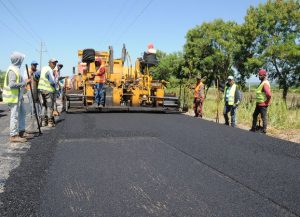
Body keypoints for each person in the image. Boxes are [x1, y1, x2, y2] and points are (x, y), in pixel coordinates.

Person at [3, 52, 32, 142]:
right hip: (13, 97)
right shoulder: (12, 70)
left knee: (23, 112)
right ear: (18, 60)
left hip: (18, 96)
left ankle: (21, 131)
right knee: (14, 115)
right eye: (21, 59)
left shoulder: (16, 69)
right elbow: (12, 84)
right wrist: (25, 83)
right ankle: (13, 135)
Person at [250, 69, 272, 134]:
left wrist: (267, 102)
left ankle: (264, 130)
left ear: (264, 75)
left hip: (263, 104)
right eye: (259, 75)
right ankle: (254, 128)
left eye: (260, 75)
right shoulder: (262, 82)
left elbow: (269, 94)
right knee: (254, 115)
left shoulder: (265, 83)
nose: (259, 76)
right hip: (259, 104)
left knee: (263, 117)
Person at [38, 58, 57, 127]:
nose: (54, 65)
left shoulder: (43, 68)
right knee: (49, 106)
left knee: (44, 105)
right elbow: (52, 82)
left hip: (41, 90)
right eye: (53, 63)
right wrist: (55, 85)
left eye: (55, 63)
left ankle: (43, 122)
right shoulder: (49, 70)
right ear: (49, 63)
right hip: (48, 90)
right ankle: (50, 122)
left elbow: (36, 75)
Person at [25, 60, 41, 133]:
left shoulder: (37, 71)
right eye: (34, 65)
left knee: (37, 104)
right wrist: (30, 75)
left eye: (36, 65)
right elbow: (26, 80)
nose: (35, 66)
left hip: (36, 90)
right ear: (31, 65)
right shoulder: (28, 70)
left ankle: (39, 117)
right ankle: (33, 118)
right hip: (29, 89)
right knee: (32, 105)